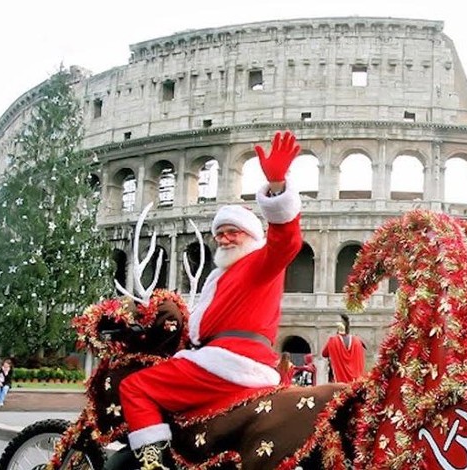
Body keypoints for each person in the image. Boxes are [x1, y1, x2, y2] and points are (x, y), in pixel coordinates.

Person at [118, 130, 305, 470]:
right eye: (220, 233)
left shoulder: (260, 262)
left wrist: (277, 187)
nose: (224, 238)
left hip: (229, 362)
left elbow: (286, 243)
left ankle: (151, 463)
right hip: (226, 360)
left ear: (253, 236)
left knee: (135, 386)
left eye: (234, 231)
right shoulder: (221, 278)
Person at [321, 314, 365, 383]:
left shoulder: (333, 340)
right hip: (356, 382)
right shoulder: (357, 341)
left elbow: (324, 354)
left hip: (340, 381)